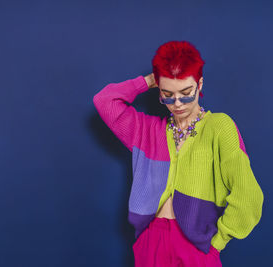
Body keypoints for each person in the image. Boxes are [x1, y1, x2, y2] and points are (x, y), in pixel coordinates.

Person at [93, 40, 264, 267]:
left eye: (186, 93)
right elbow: (104, 101)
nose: (177, 103)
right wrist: (148, 80)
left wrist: (218, 242)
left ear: (199, 84)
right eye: (167, 95)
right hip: (150, 241)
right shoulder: (147, 130)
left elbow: (248, 195)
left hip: (197, 246)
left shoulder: (219, 127)